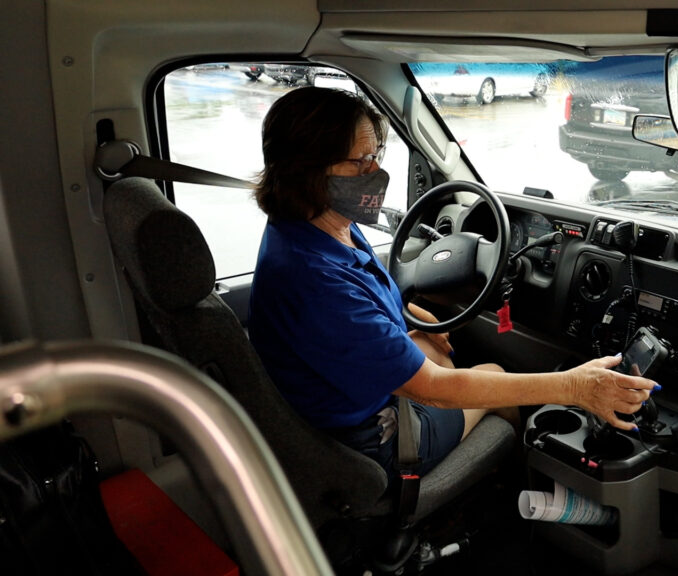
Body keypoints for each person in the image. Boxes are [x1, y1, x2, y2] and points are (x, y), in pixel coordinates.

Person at [248, 86, 657, 485]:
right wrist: (574, 387)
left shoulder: (317, 226)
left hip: (342, 395)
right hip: (375, 441)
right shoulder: (316, 283)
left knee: (440, 353)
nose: (375, 172)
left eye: (376, 156)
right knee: (490, 372)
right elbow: (433, 390)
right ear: (307, 169)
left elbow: (365, 308)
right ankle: (504, 504)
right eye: (360, 162)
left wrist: (420, 324)